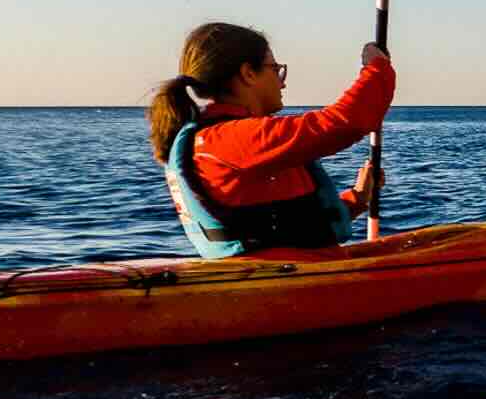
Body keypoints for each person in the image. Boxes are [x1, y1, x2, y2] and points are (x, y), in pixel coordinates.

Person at [147, 24, 392, 257]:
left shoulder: (223, 140)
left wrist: (357, 199)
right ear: (248, 74)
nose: (282, 81)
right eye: (275, 69)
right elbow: (347, 122)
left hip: (292, 272)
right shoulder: (231, 139)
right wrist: (376, 67)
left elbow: (282, 227)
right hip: (288, 282)